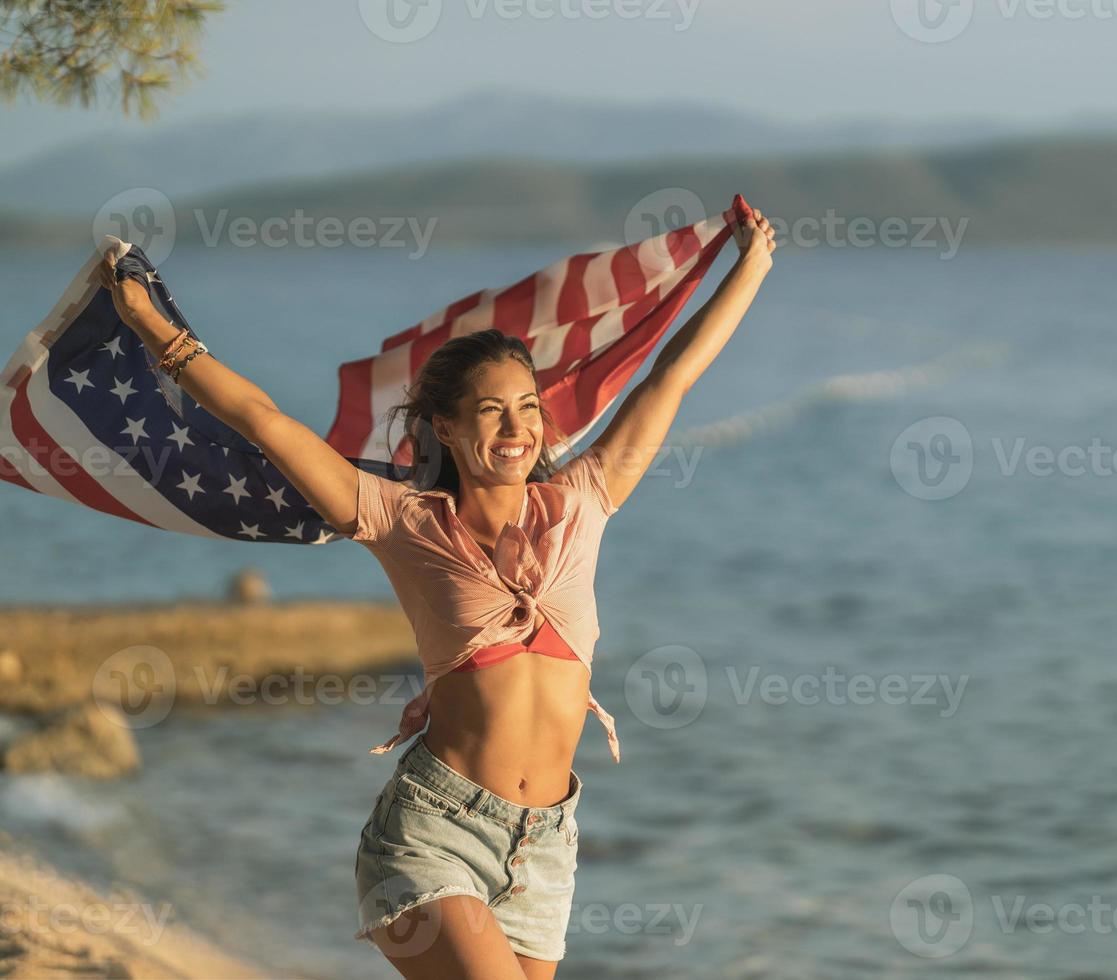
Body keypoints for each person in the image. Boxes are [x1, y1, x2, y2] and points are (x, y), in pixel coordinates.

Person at [99, 205, 777, 979]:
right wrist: (148, 322)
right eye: (490, 411)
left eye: (527, 407)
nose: (516, 426)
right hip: (433, 833)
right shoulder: (398, 518)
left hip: (547, 847)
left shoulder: (584, 500)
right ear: (446, 430)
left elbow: (672, 376)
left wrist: (749, 266)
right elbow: (265, 421)